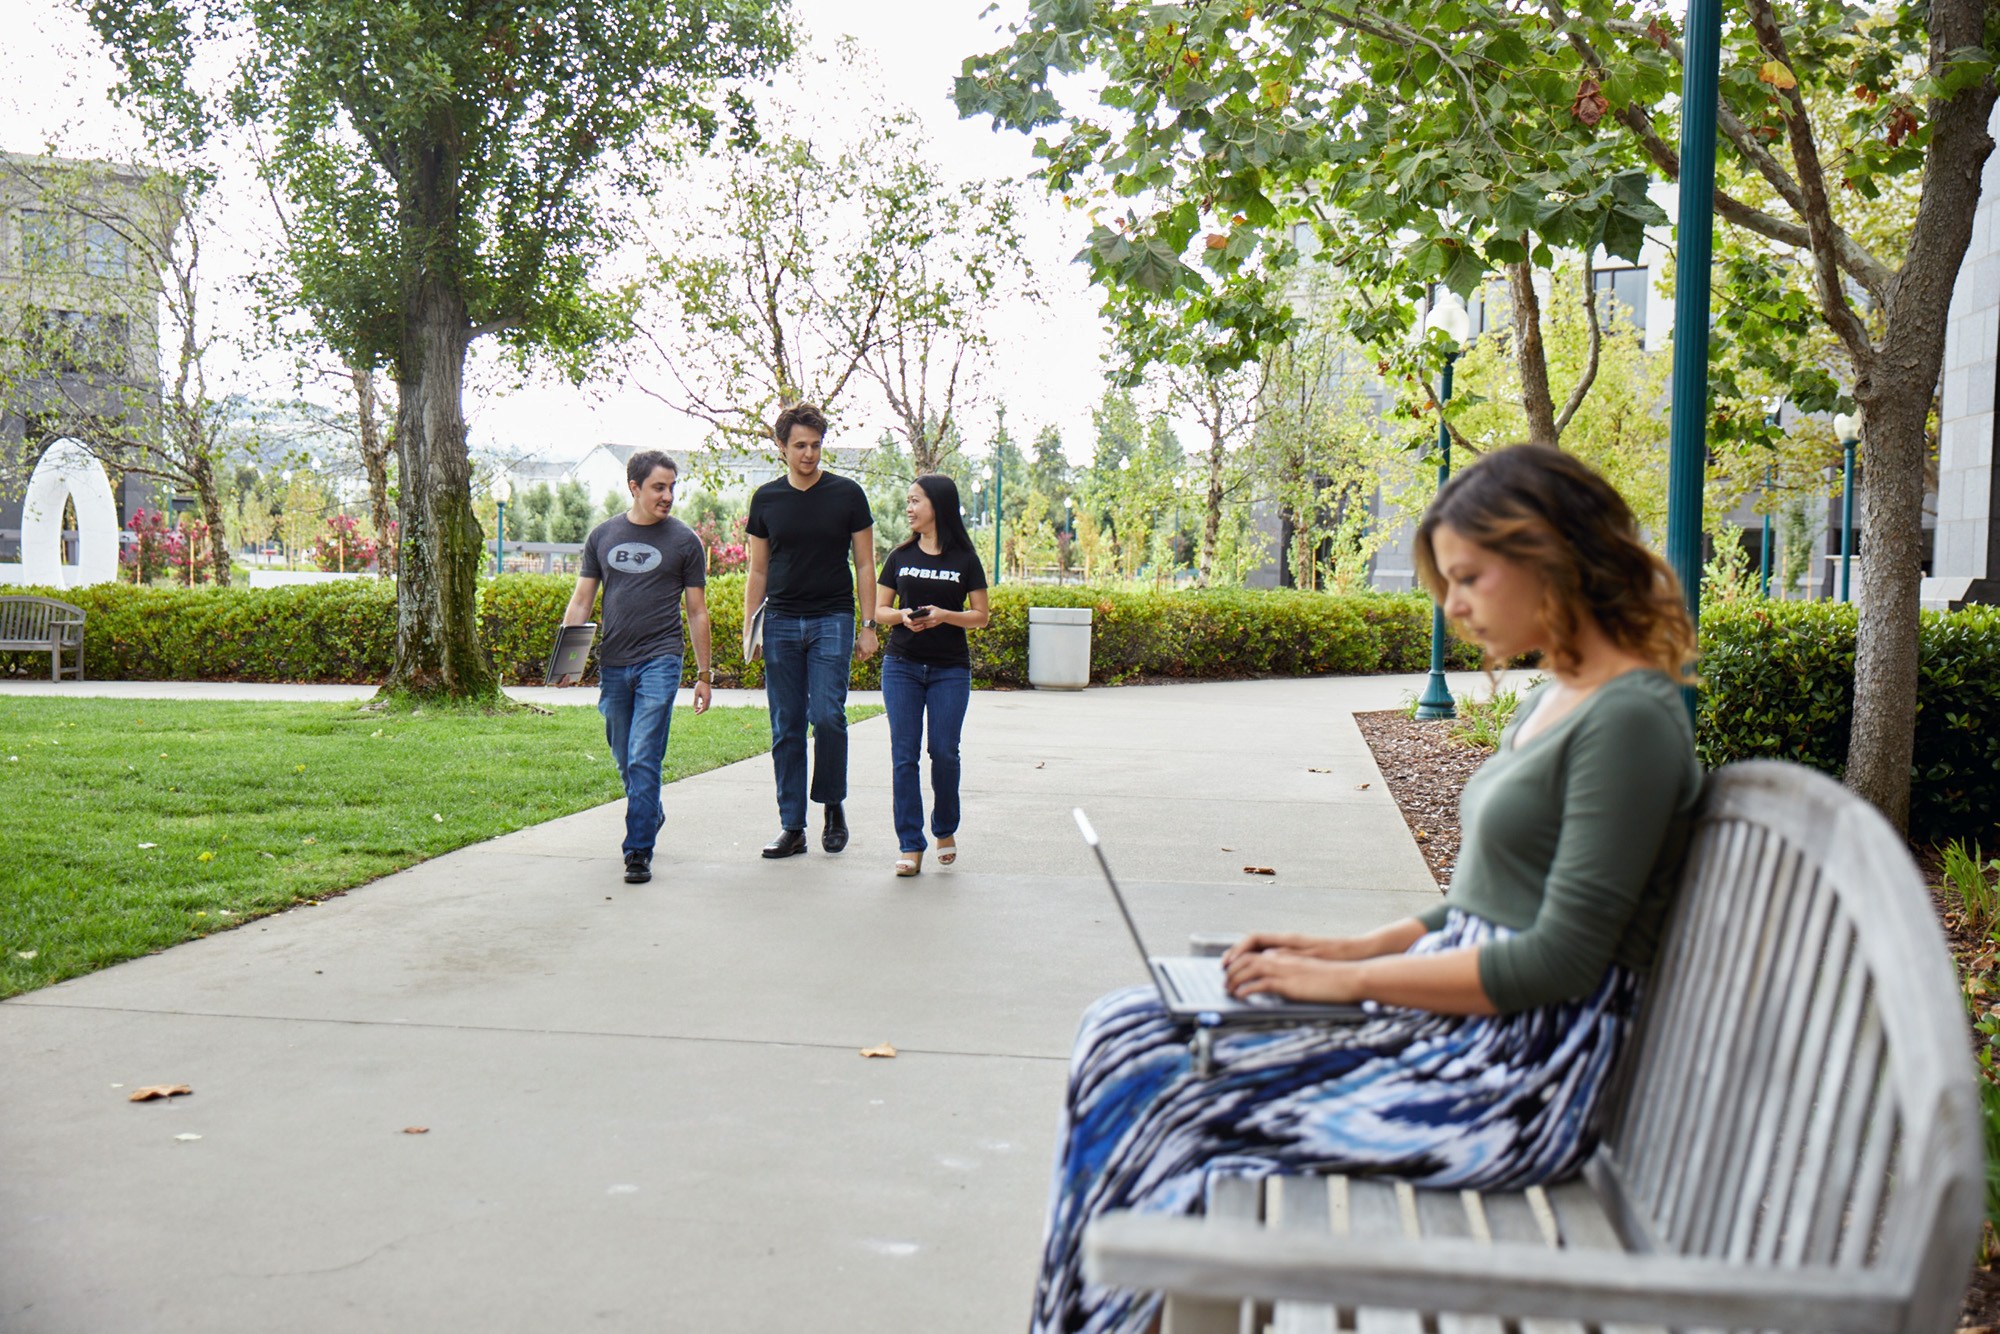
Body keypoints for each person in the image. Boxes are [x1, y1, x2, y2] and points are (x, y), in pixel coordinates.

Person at [1029, 445, 1703, 1334]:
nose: (1451, 606)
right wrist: (1339, 948)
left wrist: (1345, 983)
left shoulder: (1630, 719)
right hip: (1464, 1028)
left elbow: (1559, 960)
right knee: (1121, 1030)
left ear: (1552, 554)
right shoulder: (1564, 694)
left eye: (1467, 577)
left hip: (1512, 1076)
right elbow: (1482, 905)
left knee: (1169, 1092)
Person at [560, 450, 713, 886]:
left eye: (672, 487)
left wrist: (704, 675)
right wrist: (568, 663)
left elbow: (697, 612)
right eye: (658, 487)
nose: (668, 496)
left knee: (645, 755)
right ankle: (651, 811)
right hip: (614, 662)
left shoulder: (685, 542)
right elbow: (583, 600)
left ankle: (637, 850)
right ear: (634, 487)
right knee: (624, 754)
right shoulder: (603, 536)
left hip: (661, 659)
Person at [744, 403, 877, 858]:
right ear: (781, 447)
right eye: (799, 445)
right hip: (779, 620)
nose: (809, 453)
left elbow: (864, 563)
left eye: (816, 445)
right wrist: (751, 629)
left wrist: (870, 623)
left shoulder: (848, 495)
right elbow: (757, 572)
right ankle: (792, 826)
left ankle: (833, 803)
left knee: (827, 716)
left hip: (832, 619)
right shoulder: (766, 500)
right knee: (786, 725)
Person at [874, 474, 990, 876]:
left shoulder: (964, 559)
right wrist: (903, 616)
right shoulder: (899, 555)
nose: (908, 508)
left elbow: (981, 616)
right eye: (908, 501)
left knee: (944, 752)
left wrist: (944, 616)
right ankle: (910, 843)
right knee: (904, 756)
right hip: (902, 667)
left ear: (937, 506)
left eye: (915, 501)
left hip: (949, 670)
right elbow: (878, 610)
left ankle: (944, 828)